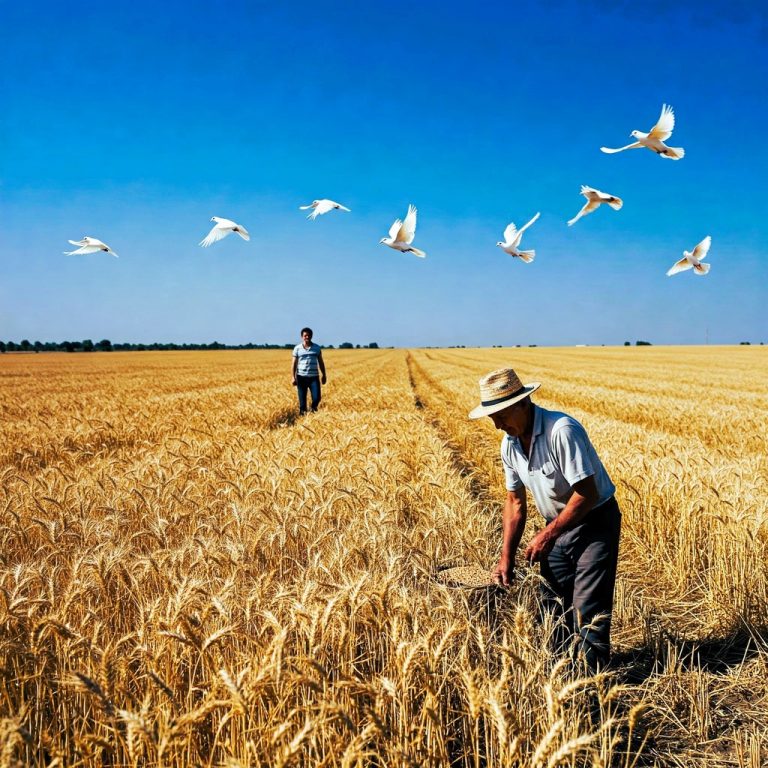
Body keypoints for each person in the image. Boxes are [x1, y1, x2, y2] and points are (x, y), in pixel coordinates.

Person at [469, 367, 621, 672]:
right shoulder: (509, 444)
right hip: (559, 525)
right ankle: (560, 680)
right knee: (552, 611)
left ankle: (593, 691)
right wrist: (506, 557)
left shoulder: (561, 430)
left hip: (595, 523)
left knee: (587, 612)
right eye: (493, 417)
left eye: (501, 415)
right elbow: (514, 502)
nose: (497, 424)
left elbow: (586, 494)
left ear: (523, 403)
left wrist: (547, 535)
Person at [291, 327, 327, 415]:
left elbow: (321, 362)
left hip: (314, 377)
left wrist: (324, 375)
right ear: (302, 337)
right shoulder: (297, 348)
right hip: (301, 377)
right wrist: (293, 377)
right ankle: (302, 418)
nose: (307, 337)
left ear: (311, 336)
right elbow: (294, 364)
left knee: (317, 398)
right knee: (302, 403)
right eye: (305, 335)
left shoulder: (317, 348)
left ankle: (313, 409)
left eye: (308, 335)